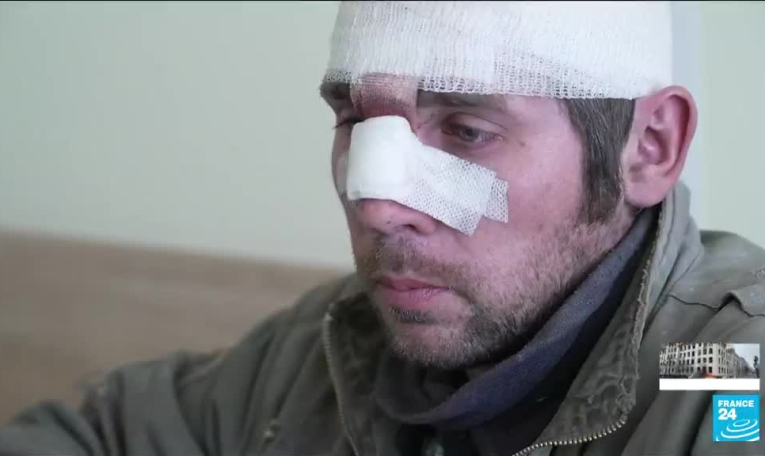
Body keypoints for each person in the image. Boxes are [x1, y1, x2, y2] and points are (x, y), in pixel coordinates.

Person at [2, 2, 764, 455]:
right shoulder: (322, 348)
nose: (375, 205)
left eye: (466, 130)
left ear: (648, 146)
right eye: (353, 122)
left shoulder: (722, 371)